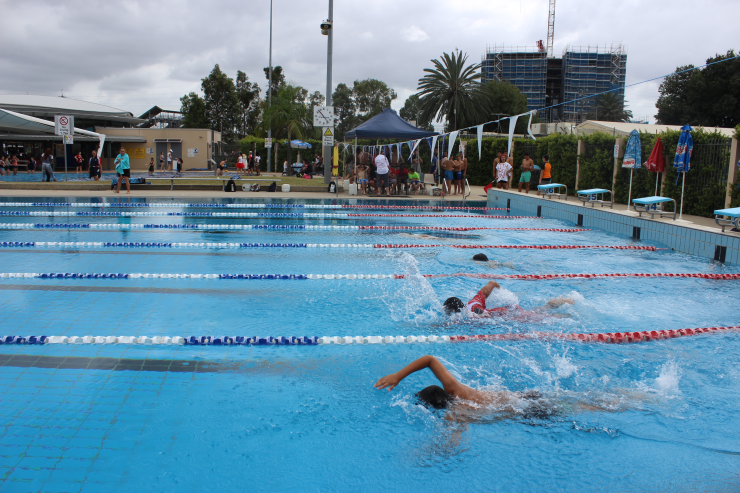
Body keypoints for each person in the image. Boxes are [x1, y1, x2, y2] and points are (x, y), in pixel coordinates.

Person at [374, 355, 613, 419]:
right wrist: (398, 375)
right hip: (523, 396)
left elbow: (455, 440)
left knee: (587, 408)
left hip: (527, 411)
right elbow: (429, 359)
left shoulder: (458, 412)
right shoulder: (457, 390)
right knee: (583, 400)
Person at [443, 280, 573, 320]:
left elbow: (481, 315)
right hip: (510, 308)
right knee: (540, 310)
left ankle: (566, 316)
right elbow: (492, 283)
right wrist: (502, 291)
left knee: (545, 318)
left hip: (511, 314)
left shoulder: (471, 313)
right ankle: (567, 300)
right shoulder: (473, 301)